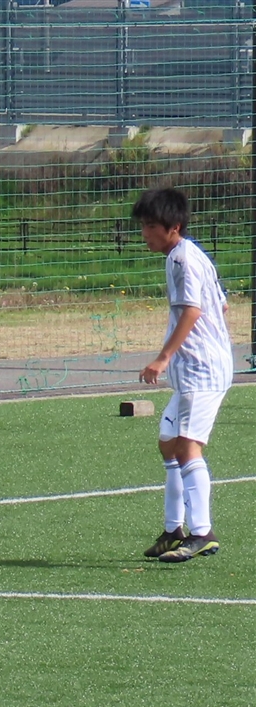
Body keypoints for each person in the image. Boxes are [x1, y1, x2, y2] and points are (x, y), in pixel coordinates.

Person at [133, 187, 233, 563]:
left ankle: (202, 533)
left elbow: (193, 310)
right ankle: (173, 529)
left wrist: (163, 358)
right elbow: (222, 306)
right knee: (168, 443)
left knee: (188, 447)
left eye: (151, 226)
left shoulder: (184, 260)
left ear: (173, 227)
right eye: (143, 225)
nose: (144, 233)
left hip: (201, 371)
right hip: (196, 369)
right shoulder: (184, 254)